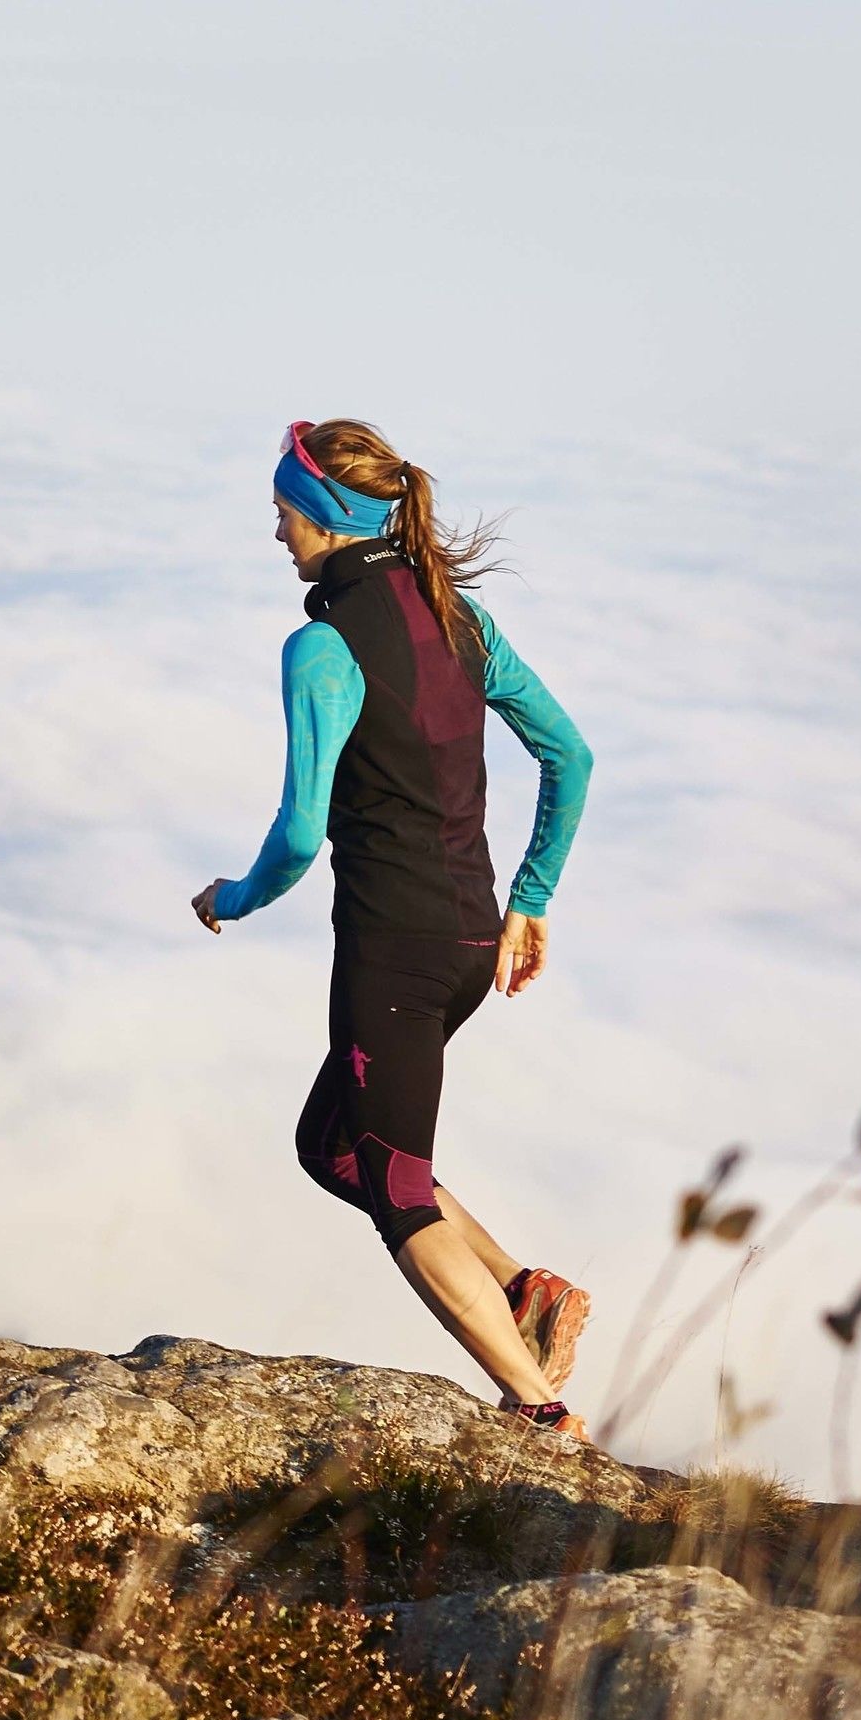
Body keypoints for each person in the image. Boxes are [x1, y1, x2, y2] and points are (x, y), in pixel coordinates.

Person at [193, 422, 597, 1438]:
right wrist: (530, 897)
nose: (274, 528)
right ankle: (525, 1291)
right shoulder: (463, 619)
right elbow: (572, 757)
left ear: (327, 517)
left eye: (285, 507)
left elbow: (296, 835)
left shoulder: (322, 649)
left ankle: (539, 1407)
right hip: (469, 944)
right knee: (332, 1145)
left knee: (392, 1185)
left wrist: (229, 898)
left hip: (394, 952)